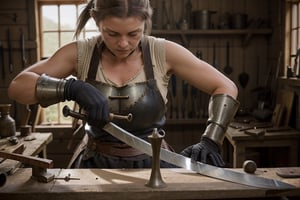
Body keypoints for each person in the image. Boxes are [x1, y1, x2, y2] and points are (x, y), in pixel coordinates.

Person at [8, 0, 239, 168]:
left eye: (133, 33)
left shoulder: (163, 52)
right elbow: (17, 87)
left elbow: (226, 86)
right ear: (96, 20)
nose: (123, 43)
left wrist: (210, 140)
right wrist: (70, 88)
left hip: (155, 162)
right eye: (112, 33)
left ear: (145, 22)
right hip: (93, 163)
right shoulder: (80, 52)